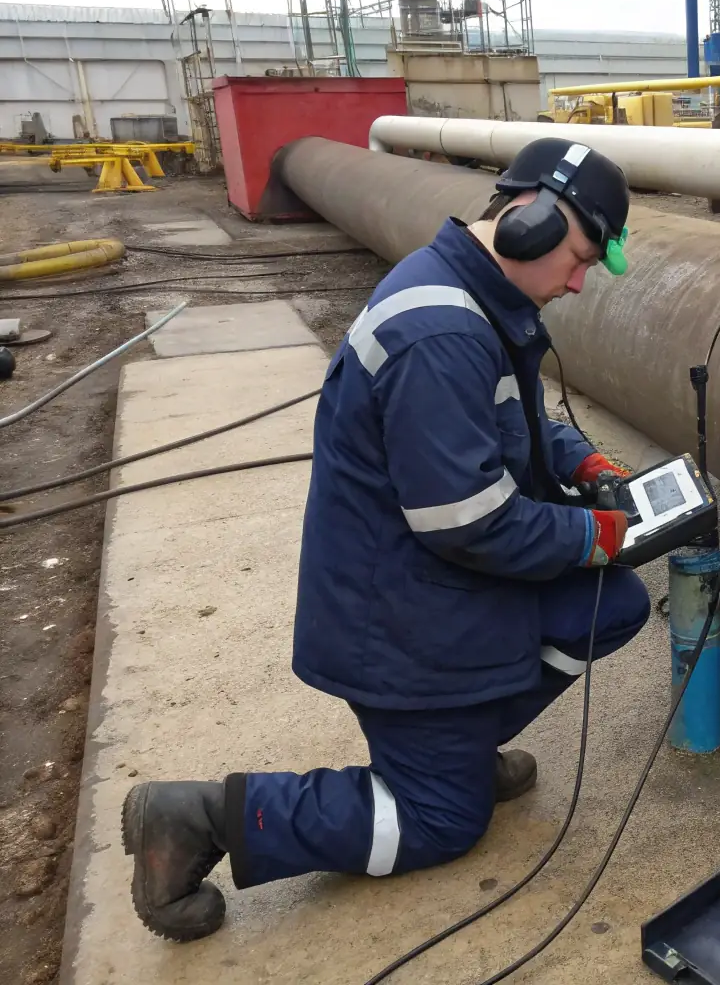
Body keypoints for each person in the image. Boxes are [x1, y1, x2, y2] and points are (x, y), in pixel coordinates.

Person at [121, 139, 650, 941]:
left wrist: (583, 461)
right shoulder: (440, 331)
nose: (577, 282)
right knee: (440, 821)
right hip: (401, 621)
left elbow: (503, 423)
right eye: (577, 259)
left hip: (428, 588)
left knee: (610, 603)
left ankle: (457, 744)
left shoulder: (470, 298)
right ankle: (196, 817)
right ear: (529, 222)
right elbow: (469, 519)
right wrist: (592, 535)